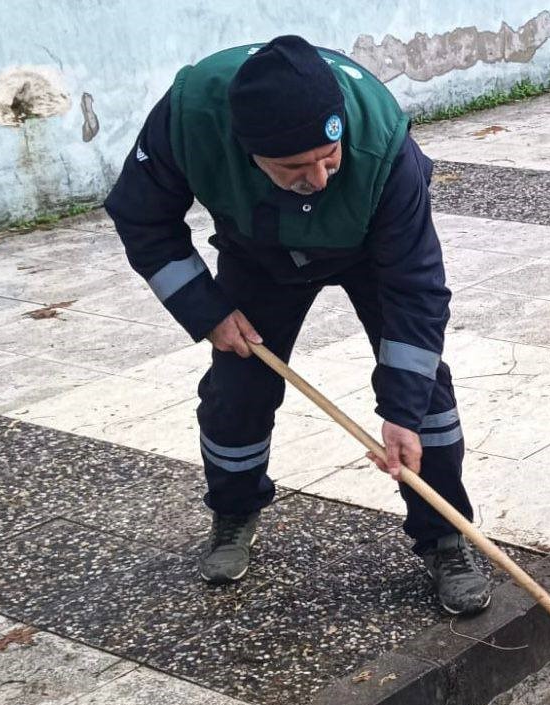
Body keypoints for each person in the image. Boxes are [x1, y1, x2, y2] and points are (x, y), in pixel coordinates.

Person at [104, 35, 491, 615]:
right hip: (259, 251)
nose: (319, 178)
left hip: (370, 254)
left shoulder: (384, 143)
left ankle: (444, 536)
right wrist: (204, 309)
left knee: (425, 393)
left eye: (329, 158)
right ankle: (234, 512)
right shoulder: (192, 116)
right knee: (237, 390)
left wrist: (400, 412)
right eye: (294, 167)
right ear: (247, 149)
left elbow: (416, 284)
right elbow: (140, 214)